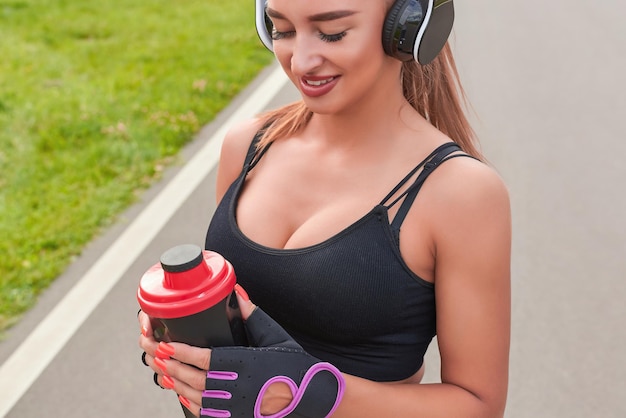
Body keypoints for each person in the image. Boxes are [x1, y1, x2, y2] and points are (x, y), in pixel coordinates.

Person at [138, 0, 511, 416]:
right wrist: (183, 333)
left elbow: (479, 406)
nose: (301, 61)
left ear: (407, 28)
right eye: (282, 30)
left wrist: (307, 393)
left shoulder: (460, 193)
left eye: (332, 33)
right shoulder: (247, 147)